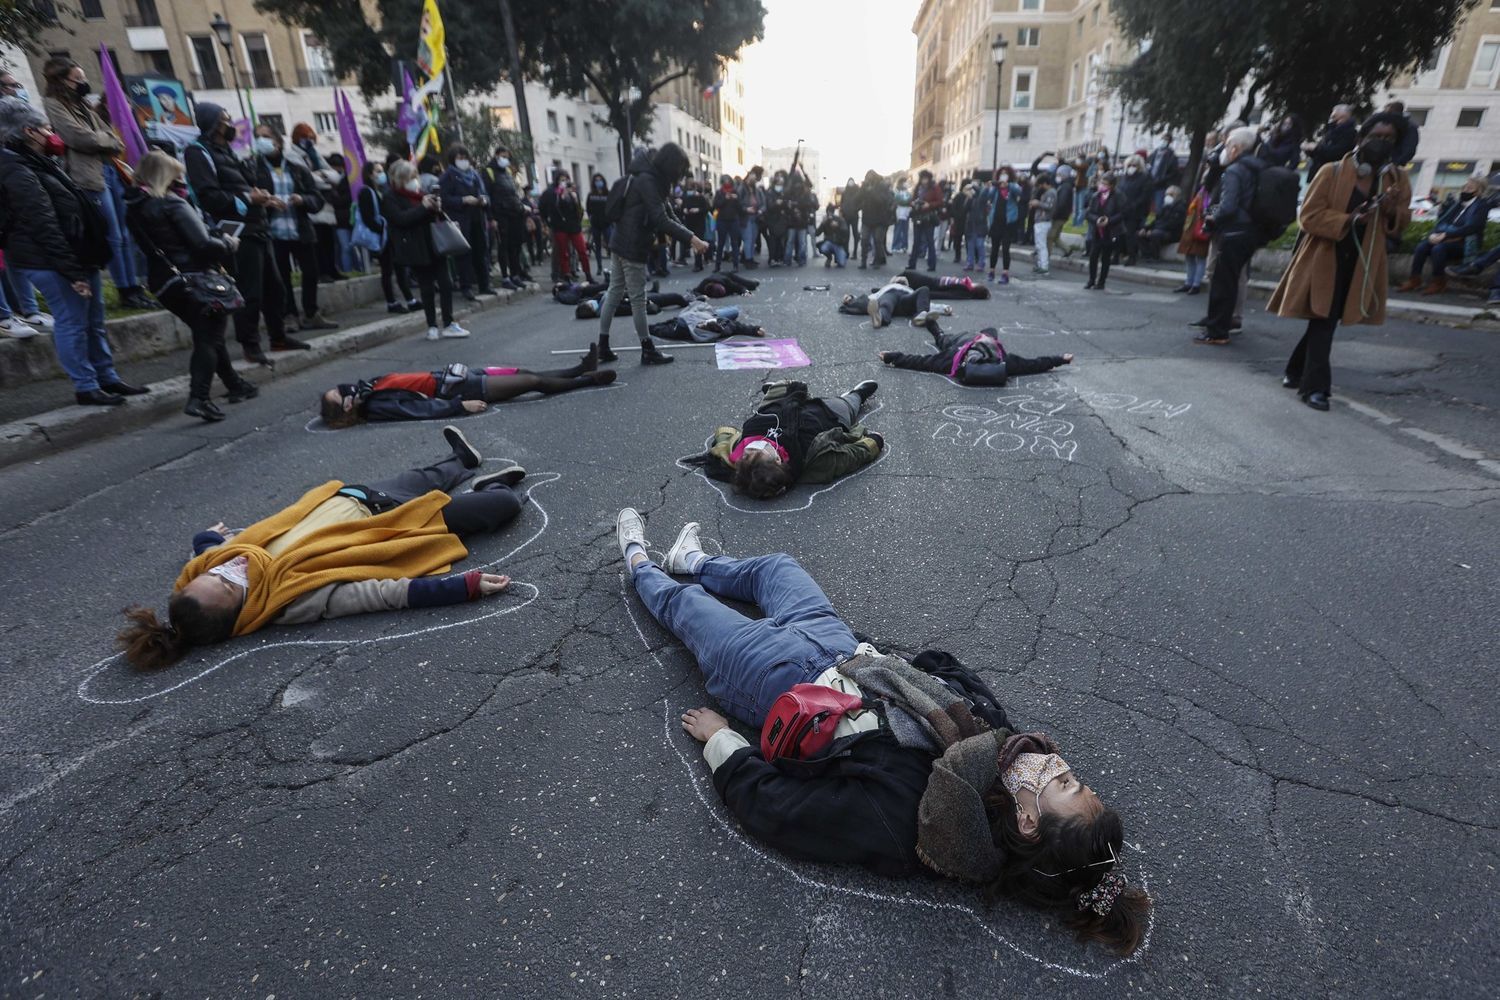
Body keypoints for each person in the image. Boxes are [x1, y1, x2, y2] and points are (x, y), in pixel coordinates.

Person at [610, 518, 1151, 955]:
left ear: (1028, 820)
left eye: (1064, 784)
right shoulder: (993, 749)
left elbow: (780, 809)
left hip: (771, 676)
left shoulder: (916, 822)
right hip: (843, 646)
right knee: (778, 569)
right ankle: (696, 561)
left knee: (684, 607)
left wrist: (722, 741)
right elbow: (948, 668)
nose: (1054, 763)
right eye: (1071, 775)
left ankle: (636, 560)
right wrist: (903, 676)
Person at [117, 429, 527, 670]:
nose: (231, 568)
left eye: (213, 575)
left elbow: (204, 553)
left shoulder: (216, 563)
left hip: (357, 498)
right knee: (502, 505)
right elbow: (378, 595)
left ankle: (461, 459)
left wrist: (207, 538)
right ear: (242, 612)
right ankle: (486, 487)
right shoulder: (289, 600)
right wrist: (465, 587)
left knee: (428, 474)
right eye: (228, 586)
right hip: (391, 529)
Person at [0, 97, 146, 406]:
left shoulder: (38, 162)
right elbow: (43, 225)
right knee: (73, 322)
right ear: (29, 131)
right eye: (46, 128)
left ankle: (106, 377)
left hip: (75, 255)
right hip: (51, 260)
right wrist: (71, 271)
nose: (52, 133)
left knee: (93, 321)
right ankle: (85, 385)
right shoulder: (16, 169)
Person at [1270, 113, 1411, 411]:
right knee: (1324, 319)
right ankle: (1316, 388)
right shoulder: (1332, 172)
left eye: (1390, 139)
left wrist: (1389, 210)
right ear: (1361, 138)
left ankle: (1295, 370)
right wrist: (1349, 219)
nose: (1382, 143)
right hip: (1326, 256)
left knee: (1327, 320)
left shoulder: (1395, 179)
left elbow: (1401, 222)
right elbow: (1308, 216)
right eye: (1377, 136)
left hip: (1362, 261)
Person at [124, 151, 259, 421]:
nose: (182, 181)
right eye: (178, 176)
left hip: (165, 282)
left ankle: (234, 384)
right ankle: (199, 398)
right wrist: (228, 244)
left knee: (209, 333)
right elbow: (202, 245)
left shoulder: (135, 207)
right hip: (195, 278)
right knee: (209, 337)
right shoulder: (173, 203)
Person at [186, 103, 301, 363]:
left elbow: (245, 185)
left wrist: (265, 199)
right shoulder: (198, 152)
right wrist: (248, 199)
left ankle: (279, 337)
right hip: (237, 232)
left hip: (258, 226)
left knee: (276, 288)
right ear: (213, 123)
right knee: (250, 292)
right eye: (226, 120)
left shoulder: (230, 151)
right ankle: (250, 345)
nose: (231, 125)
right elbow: (209, 197)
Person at [40, 57, 154, 311]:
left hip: (110, 171)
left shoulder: (83, 105)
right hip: (87, 176)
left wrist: (103, 139)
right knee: (112, 235)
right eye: (77, 79)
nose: (83, 83)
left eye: (83, 78)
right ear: (61, 81)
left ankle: (134, 286)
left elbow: (112, 136)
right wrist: (104, 140)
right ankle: (124, 289)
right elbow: (76, 137)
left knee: (124, 234)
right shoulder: (53, 104)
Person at [595, 142, 709, 366]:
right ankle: (647, 349)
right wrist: (692, 239)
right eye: (679, 169)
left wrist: (690, 236)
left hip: (620, 242)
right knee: (638, 299)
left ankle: (603, 346)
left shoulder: (649, 176)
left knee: (614, 292)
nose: (679, 175)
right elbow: (660, 218)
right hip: (631, 246)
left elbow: (667, 213)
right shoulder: (648, 181)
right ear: (670, 165)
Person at [678, 379, 882, 499]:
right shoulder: (812, 461)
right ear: (778, 460)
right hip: (828, 413)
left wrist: (728, 436)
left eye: (748, 454)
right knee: (849, 403)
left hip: (782, 405)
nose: (753, 449)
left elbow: (724, 434)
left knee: (784, 390)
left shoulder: (734, 456)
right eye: (756, 452)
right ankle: (855, 394)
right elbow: (849, 457)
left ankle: (781, 390)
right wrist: (873, 442)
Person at [318, 350, 616, 427]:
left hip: (458, 375)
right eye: (340, 395)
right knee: (531, 383)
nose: (345, 390)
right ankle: (587, 379)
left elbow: (358, 387)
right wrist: (461, 406)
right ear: (345, 407)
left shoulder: (367, 390)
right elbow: (419, 409)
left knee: (525, 372)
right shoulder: (375, 406)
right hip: (461, 390)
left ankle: (579, 369)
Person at [251, 124, 336, 335]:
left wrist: (302, 199)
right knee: (282, 277)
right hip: (273, 231)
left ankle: (311, 313)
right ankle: (289, 315)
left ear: (278, 141)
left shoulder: (297, 168)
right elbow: (247, 197)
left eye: (266, 136)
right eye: (258, 137)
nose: (261, 140)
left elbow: (316, 198)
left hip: (300, 229)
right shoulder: (253, 168)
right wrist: (265, 202)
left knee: (311, 272)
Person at [1193, 128, 1265, 345]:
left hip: (1233, 231)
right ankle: (1222, 325)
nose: (1224, 149)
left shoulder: (1235, 170)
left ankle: (1216, 331)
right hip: (1249, 231)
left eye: (1226, 145)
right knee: (1231, 281)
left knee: (1223, 283)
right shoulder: (1256, 167)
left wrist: (1212, 217)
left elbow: (1229, 206)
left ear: (1235, 148)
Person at [384, 158, 468, 341]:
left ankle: (448, 323)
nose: (413, 181)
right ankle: (431, 325)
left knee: (446, 283)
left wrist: (436, 208)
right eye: (409, 178)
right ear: (399, 179)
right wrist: (423, 208)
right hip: (414, 247)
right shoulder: (391, 197)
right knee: (426, 287)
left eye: (414, 176)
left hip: (434, 243)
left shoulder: (420, 194)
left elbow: (432, 217)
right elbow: (401, 219)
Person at [879, 326, 1073, 386]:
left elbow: (920, 361)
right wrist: (1061, 359)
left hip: (959, 348)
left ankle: (937, 332)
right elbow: (1035, 364)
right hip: (986, 366)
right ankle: (937, 332)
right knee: (944, 342)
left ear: (980, 338)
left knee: (944, 340)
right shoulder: (1005, 360)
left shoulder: (957, 355)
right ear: (994, 342)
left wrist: (892, 356)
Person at [1398, 175, 1490, 295]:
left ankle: (1438, 282)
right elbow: (1443, 221)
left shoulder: (1481, 206)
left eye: (1470, 188)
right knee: (1422, 246)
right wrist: (1433, 234)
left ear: (1478, 191)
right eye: (1465, 187)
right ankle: (1414, 280)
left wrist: (1446, 236)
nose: (1465, 190)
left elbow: (1471, 228)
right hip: (1446, 237)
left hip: (1465, 243)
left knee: (1438, 249)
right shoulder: (1458, 204)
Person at [356, 160, 416, 313]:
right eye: (377, 171)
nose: (381, 174)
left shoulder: (383, 191)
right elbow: (368, 218)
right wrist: (383, 228)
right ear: (369, 174)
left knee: (400, 268)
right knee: (387, 270)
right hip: (382, 237)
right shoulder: (366, 192)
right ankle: (392, 302)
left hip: (390, 236)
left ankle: (410, 299)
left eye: (381, 171)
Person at [438, 145, 493, 300]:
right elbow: (444, 199)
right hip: (461, 220)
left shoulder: (474, 175)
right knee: (464, 256)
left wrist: (483, 200)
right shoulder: (447, 177)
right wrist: (462, 200)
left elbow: (485, 194)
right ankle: (466, 286)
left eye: (465, 158)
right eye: (460, 159)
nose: (463, 162)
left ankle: (485, 285)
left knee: (481, 252)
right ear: (453, 160)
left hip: (477, 218)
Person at [484, 147, 532, 288]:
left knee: (515, 245)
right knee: (503, 246)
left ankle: (515, 274)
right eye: (503, 156)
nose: (506, 159)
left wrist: (521, 207)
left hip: (514, 214)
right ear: (497, 155)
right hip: (500, 215)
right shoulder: (489, 172)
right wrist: (491, 218)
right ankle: (505, 277)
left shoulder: (507, 171)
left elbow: (513, 193)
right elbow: (487, 196)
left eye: (507, 157)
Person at [539, 169, 591, 283]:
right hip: (559, 226)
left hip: (573, 226)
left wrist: (574, 198)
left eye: (566, 179)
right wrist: (547, 222)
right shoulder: (551, 193)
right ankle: (561, 274)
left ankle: (584, 274)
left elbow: (578, 210)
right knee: (561, 251)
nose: (564, 182)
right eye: (561, 179)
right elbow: (543, 207)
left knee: (580, 250)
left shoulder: (572, 192)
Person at [838, 276, 944, 329]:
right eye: (897, 280)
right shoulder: (885, 289)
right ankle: (879, 318)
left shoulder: (910, 290)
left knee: (924, 289)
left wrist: (944, 308)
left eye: (902, 281)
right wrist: (851, 298)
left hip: (905, 300)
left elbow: (924, 302)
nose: (900, 281)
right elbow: (868, 300)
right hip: (889, 297)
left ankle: (921, 316)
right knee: (886, 303)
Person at [648, 297, 764, 343]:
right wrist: (755, 329)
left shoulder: (682, 328)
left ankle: (702, 303)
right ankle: (701, 302)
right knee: (734, 311)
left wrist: (648, 329)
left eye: (704, 324)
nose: (703, 323)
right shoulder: (721, 324)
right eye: (705, 323)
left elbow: (660, 328)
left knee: (734, 312)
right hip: (702, 313)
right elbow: (736, 326)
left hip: (698, 314)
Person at [1084, 172, 1123, 291]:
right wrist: (1097, 219)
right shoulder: (1096, 196)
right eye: (1101, 183)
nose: (1102, 186)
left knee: (1106, 257)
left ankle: (1101, 282)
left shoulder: (1118, 196)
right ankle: (1091, 279)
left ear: (1111, 185)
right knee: (1093, 256)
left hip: (1110, 231)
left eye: (1105, 184)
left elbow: (1122, 213)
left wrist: (1109, 220)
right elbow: (1089, 213)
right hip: (1097, 230)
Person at [1301, 104, 1358, 183]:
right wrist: (1309, 149)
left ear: (1343, 117)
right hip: (1317, 175)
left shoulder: (1350, 133)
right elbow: (1320, 154)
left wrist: (1316, 148)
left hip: (1330, 177)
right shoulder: (1330, 132)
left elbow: (1336, 153)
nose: (1331, 119)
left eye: (1334, 116)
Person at [986, 169, 1022, 283]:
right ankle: (991, 271)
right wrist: (994, 186)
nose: (1003, 176)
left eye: (1005, 174)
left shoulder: (1013, 187)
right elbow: (989, 197)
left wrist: (1009, 185)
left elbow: (1019, 192)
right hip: (996, 222)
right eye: (1001, 174)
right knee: (994, 249)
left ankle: (1005, 273)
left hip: (1008, 223)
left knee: (1006, 249)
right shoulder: (996, 189)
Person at [1175, 183, 1211, 294]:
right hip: (1192, 226)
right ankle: (1189, 282)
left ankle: (1196, 284)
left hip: (1200, 226)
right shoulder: (1200, 190)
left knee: (1200, 257)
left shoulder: (1209, 191)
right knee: (1189, 255)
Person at [1116, 154, 1151, 266]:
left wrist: (1133, 205)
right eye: (1130, 165)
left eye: (1134, 165)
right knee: (1118, 235)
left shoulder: (1144, 178)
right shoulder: (1124, 177)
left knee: (1130, 235)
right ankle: (1116, 255)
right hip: (1122, 210)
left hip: (1135, 212)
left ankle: (1132, 257)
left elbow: (1145, 196)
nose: (1131, 167)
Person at [1137, 185, 1185, 261]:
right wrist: (1145, 227)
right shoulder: (1164, 206)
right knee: (1139, 233)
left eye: (1170, 195)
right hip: (1160, 229)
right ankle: (1146, 255)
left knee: (1155, 234)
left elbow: (1172, 224)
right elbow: (1153, 216)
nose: (1167, 197)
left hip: (1171, 232)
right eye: (1167, 195)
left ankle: (1154, 256)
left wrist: (1153, 229)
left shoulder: (1180, 207)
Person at [907, 170, 943, 272]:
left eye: (926, 178)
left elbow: (940, 201)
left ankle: (932, 265)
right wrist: (913, 203)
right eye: (922, 178)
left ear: (929, 178)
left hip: (928, 217)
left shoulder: (935, 187)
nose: (924, 181)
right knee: (916, 241)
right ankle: (912, 263)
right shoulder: (918, 187)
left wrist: (929, 205)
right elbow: (912, 199)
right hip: (918, 215)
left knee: (929, 241)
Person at [859, 169, 894, 269]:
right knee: (864, 240)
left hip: (879, 219)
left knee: (878, 240)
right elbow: (858, 198)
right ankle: (863, 262)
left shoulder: (881, 186)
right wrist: (863, 188)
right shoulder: (865, 186)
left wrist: (872, 192)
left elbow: (882, 201)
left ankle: (878, 260)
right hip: (867, 218)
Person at [712, 174, 744, 273]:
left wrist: (736, 199)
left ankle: (735, 265)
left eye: (728, 180)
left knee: (734, 243)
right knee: (720, 243)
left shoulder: (735, 192)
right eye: (724, 180)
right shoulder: (719, 192)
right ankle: (717, 265)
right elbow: (716, 205)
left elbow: (740, 207)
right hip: (722, 220)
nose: (727, 182)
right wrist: (725, 198)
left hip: (733, 219)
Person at [680, 179, 711, 272]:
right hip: (691, 222)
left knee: (698, 242)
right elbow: (683, 208)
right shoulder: (686, 197)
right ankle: (698, 263)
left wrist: (697, 210)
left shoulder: (701, 198)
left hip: (698, 223)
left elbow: (706, 209)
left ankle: (698, 263)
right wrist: (685, 210)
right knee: (694, 243)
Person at [739, 166, 766, 267]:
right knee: (748, 239)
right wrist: (746, 209)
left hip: (755, 217)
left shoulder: (757, 190)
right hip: (746, 218)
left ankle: (749, 258)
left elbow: (763, 203)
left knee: (753, 238)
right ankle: (748, 259)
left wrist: (760, 210)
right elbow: (738, 204)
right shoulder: (742, 188)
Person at [585, 172, 612, 275]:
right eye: (596, 180)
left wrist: (610, 219)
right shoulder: (591, 195)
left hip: (607, 223)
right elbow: (588, 208)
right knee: (598, 246)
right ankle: (599, 267)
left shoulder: (608, 193)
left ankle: (613, 267)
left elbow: (611, 207)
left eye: (600, 180)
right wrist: (591, 218)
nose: (598, 182)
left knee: (611, 246)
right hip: (595, 224)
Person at [963, 180, 992, 273]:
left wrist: (974, 187)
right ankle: (970, 263)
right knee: (970, 245)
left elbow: (982, 193)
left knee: (980, 245)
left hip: (980, 225)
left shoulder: (981, 197)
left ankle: (981, 264)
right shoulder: (970, 198)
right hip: (971, 225)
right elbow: (965, 208)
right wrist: (968, 198)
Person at [1147, 136, 1179, 213]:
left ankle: (1159, 222)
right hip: (1150, 184)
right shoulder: (1154, 154)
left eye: (1166, 140)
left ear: (1169, 142)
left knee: (1159, 207)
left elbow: (1173, 172)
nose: (1163, 141)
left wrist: (1161, 180)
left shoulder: (1171, 156)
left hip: (1161, 186)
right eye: (1162, 139)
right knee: (1146, 206)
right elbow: (1148, 166)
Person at [1385, 101, 1420, 167]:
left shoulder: (1409, 127)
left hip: (1393, 163)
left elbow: (1410, 149)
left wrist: (1397, 163)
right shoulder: (1384, 124)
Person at [1050, 165, 1074, 261]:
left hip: (1059, 216)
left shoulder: (1065, 187)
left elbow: (1061, 203)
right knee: (1055, 237)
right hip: (1063, 215)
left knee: (1050, 237)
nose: (1058, 176)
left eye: (1059, 174)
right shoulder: (1066, 186)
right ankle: (1067, 250)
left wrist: (1054, 214)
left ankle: (1045, 255)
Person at [840, 176, 862, 255]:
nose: (850, 183)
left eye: (852, 181)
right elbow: (841, 203)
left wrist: (856, 209)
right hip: (846, 216)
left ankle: (855, 252)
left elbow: (861, 203)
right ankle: (846, 252)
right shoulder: (845, 192)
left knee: (855, 234)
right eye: (849, 181)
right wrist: (842, 210)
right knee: (846, 234)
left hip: (854, 216)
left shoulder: (857, 192)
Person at [890, 175, 912, 253]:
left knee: (905, 230)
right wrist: (906, 201)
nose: (906, 184)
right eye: (905, 182)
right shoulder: (897, 192)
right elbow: (899, 200)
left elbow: (909, 200)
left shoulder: (908, 192)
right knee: (898, 230)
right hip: (899, 213)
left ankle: (904, 246)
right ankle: (895, 246)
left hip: (906, 213)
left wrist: (907, 201)